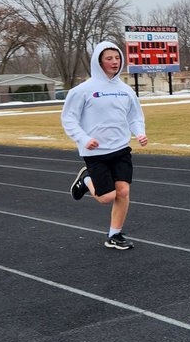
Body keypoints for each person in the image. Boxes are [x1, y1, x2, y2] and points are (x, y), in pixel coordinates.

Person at [61, 41, 148, 250]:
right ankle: (86, 178)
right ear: (98, 61)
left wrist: (140, 133)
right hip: (95, 152)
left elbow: (135, 117)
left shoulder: (126, 90)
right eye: (109, 58)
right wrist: (83, 139)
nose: (114, 62)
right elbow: (68, 119)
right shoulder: (82, 90)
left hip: (121, 149)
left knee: (124, 192)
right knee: (107, 197)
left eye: (117, 58)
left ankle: (114, 234)